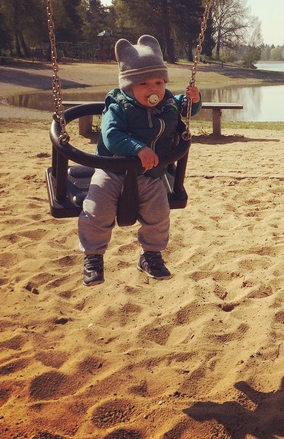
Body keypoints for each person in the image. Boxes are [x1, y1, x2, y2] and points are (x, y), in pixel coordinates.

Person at [79, 34, 201, 286]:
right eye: (143, 83)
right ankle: (93, 257)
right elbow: (111, 135)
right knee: (96, 209)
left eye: (158, 82)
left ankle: (150, 256)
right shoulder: (118, 106)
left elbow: (185, 110)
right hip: (113, 169)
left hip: (150, 173)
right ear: (128, 86)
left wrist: (193, 101)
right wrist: (138, 149)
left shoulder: (168, 103)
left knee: (159, 214)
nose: (153, 89)